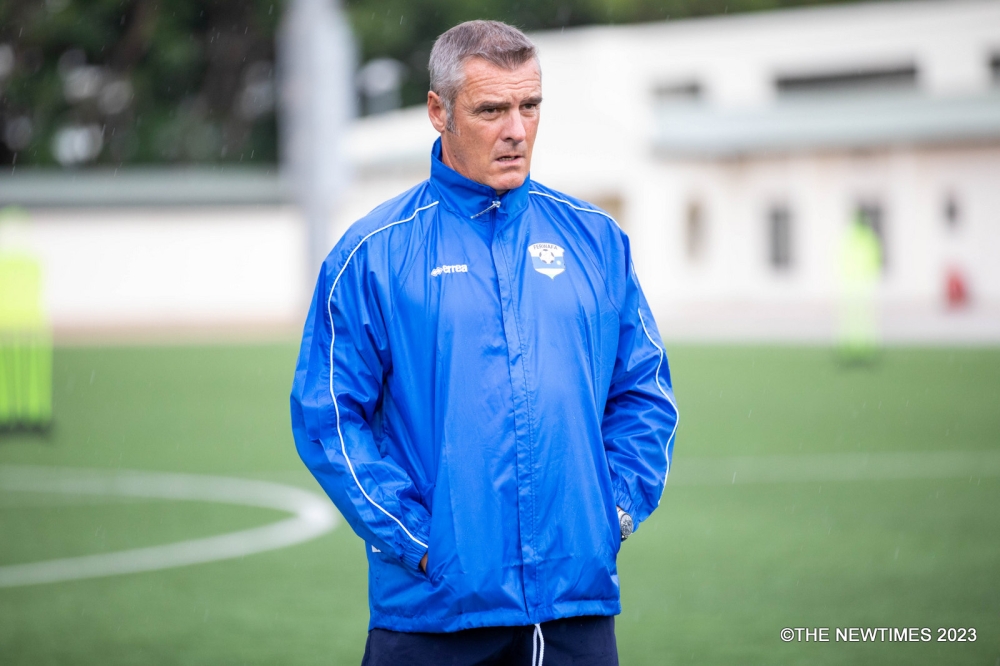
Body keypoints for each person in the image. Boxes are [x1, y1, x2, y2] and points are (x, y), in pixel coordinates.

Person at [290, 20, 678, 666]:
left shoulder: (597, 243)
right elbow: (329, 419)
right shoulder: (372, 256)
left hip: (573, 614)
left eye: (530, 107)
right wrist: (423, 541)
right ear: (438, 112)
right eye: (492, 109)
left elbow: (644, 394)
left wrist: (611, 515)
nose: (517, 130)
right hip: (431, 615)